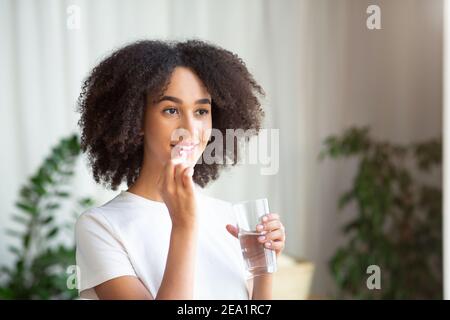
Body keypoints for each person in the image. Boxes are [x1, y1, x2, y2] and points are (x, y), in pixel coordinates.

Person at [75, 39, 286, 300]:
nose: (189, 127)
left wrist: (263, 266)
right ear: (137, 121)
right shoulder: (101, 227)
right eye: (171, 110)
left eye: (201, 111)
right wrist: (184, 226)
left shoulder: (229, 218)